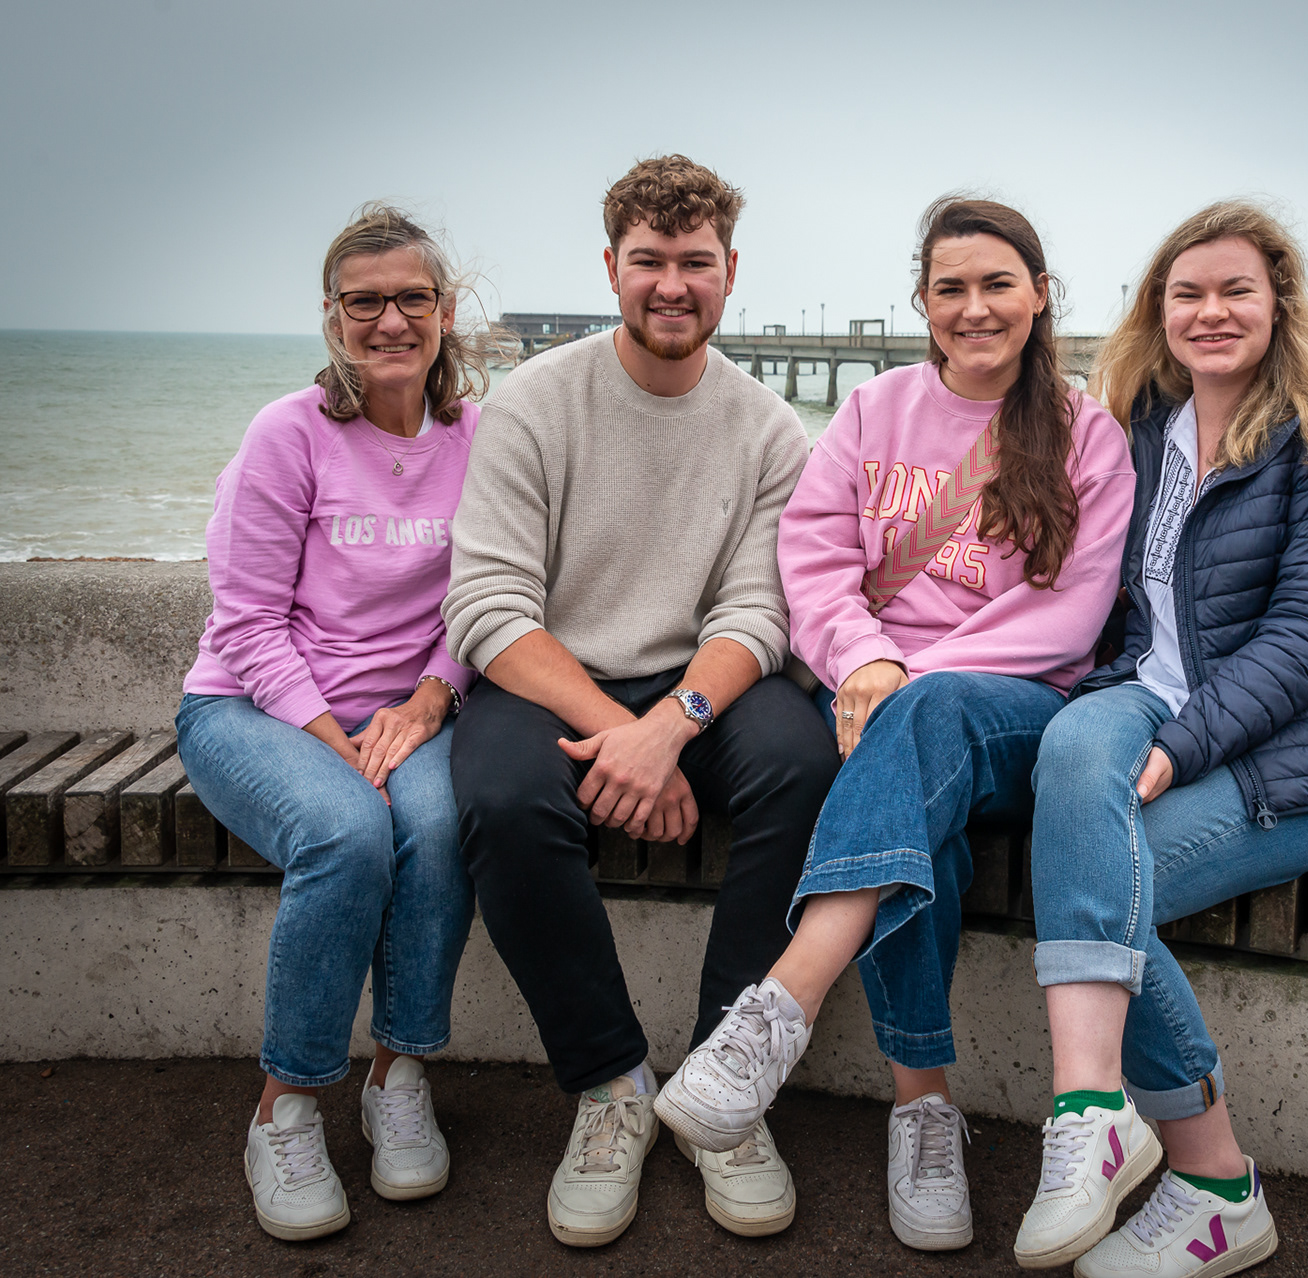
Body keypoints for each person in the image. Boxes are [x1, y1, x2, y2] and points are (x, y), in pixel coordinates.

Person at [654, 196, 1135, 1253]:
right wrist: (863, 656)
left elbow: (1072, 613)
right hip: (869, 691)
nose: (974, 308)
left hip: (1012, 705)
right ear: (922, 303)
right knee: (928, 835)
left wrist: (903, 670)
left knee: (925, 719)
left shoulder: (1086, 434)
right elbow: (813, 561)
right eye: (951, 288)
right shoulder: (872, 415)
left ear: (1039, 295)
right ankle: (923, 1110)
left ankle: (770, 1018)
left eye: (997, 284)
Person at [441, 154, 839, 1248]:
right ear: (611, 266)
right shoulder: (533, 405)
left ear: (731, 272)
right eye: (651, 261)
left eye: (696, 263)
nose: (674, 284)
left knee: (805, 770)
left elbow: (763, 614)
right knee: (505, 799)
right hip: (552, 674)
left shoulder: (766, 429)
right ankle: (611, 1081)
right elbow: (486, 608)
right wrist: (627, 737)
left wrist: (673, 727)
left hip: (697, 685)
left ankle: (726, 1080)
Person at [1014, 201, 1308, 1277]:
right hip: (1144, 692)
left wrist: (1184, 748)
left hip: (1294, 755)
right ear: (1158, 312)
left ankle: (1218, 1183)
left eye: (1236, 289)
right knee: (1070, 759)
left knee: (1100, 879)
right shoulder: (1140, 417)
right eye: (1186, 293)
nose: (1212, 311)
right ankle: (1095, 1113)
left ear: (1280, 300)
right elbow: (1093, 586)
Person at [176, 205, 488, 1241]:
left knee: (440, 826)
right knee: (349, 831)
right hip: (255, 709)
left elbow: (488, 597)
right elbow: (250, 624)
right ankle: (289, 1107)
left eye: (412, 298)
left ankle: (398, 1077)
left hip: (408, 714)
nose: (390, 319)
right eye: (366, 301)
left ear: (443, 311)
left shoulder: (479, 439)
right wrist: (333, 743)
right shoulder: (287, 434)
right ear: (333, 316)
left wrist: (433, 692)